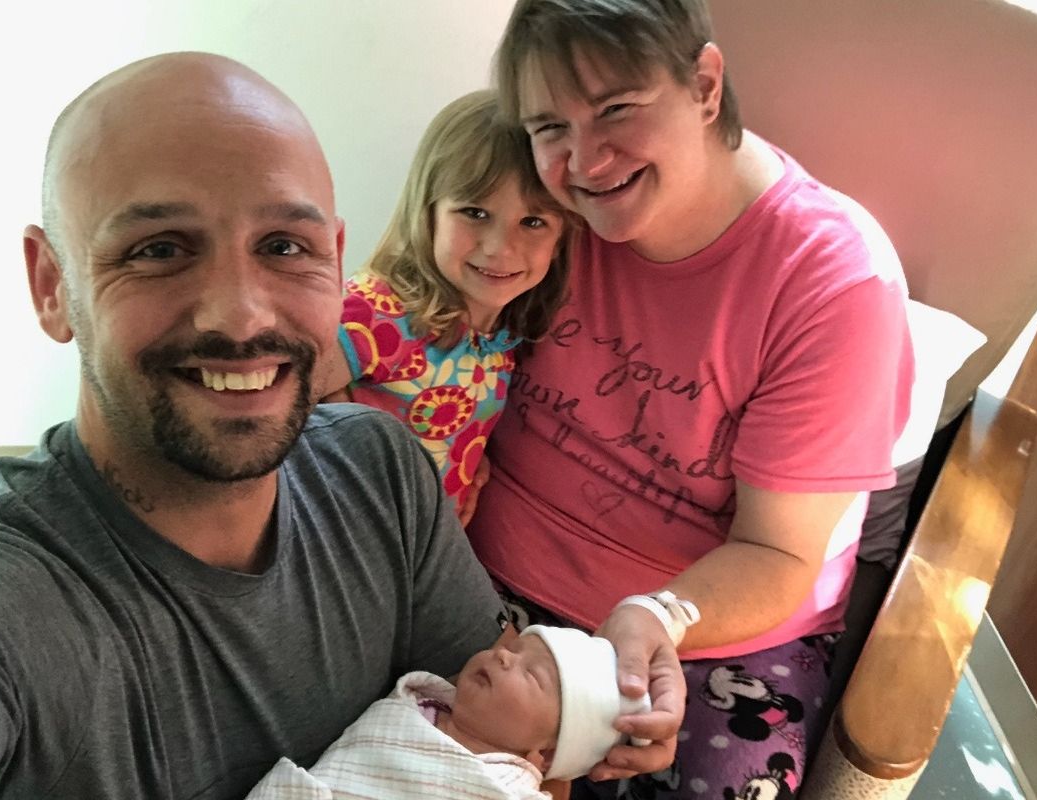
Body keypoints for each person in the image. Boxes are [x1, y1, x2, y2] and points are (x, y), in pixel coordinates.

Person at [0, 52, 512, 800]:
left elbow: (516, 748)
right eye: (160, 250)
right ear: (51, 284)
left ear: (335, 261)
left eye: (283, 247)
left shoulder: (381, 474)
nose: (240, 316)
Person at [465, 1, 915, 797]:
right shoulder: (534, 212)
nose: (585, 161)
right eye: (550, 127)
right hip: (477, 567)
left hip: (709, 628)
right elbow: (419, 321)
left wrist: (656, 617)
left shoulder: (833, 286)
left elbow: (778, 553)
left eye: (616, 109)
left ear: (705, 85)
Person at [325, 89, 570, 523]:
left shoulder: (500, 338)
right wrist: (336, 416)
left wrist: (467, 458)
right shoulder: (381, 311)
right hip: (352, 538)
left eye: (533, 222)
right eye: (475, 212)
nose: (499, 247)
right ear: (428, 212)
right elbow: (280, 393)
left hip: (424, 547)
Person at [246, 625, 650, 799]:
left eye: (532, 675)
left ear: (544, 753)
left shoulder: (510, 790)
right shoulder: (416, 702)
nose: (504, 656)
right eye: (514, 649)